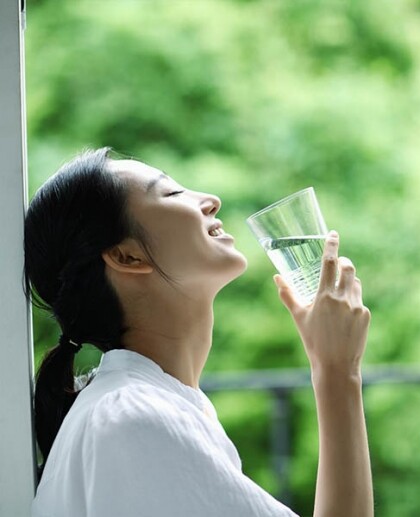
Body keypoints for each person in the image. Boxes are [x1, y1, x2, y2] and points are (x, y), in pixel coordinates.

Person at [25, 148, 373, 517]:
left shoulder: (141, 406)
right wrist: (336, 370)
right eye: (172, 193)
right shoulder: (135, 418)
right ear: (127, 257)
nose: (211, 200)